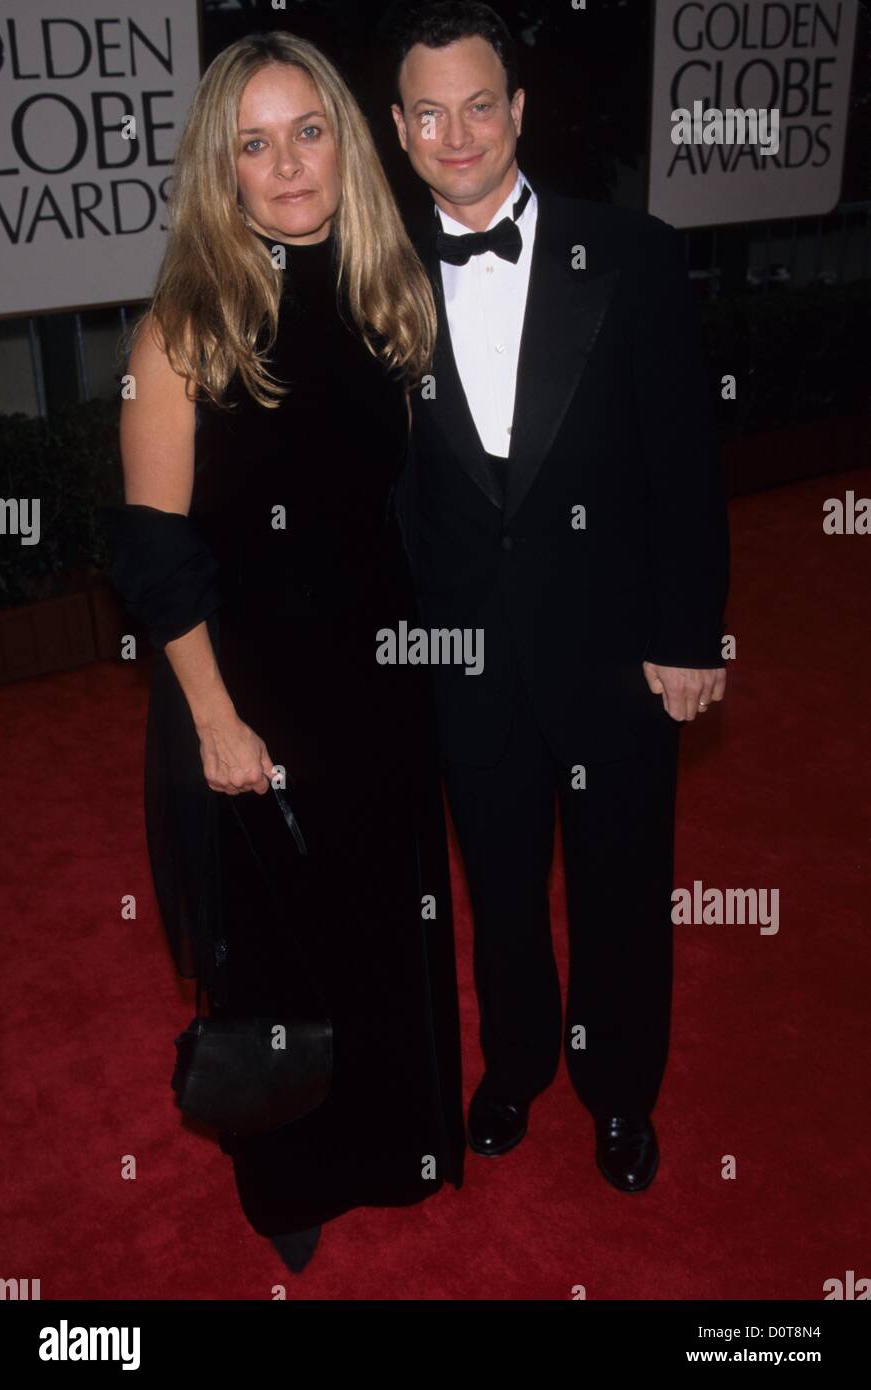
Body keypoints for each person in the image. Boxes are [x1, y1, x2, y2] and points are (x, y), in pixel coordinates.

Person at [100, 30, 465, 1274]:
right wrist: (214, 720)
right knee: (278, 951)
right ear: (223, 169)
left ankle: (390, 1142)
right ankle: (292, 1171)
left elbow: (408, 509)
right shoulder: (183, 332)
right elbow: (156, 559)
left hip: (380, 684)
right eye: (254, 143)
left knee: (383, 920)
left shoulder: (385, 293)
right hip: (247, 696)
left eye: (308, 130)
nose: (288, 162)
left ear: (344, 144)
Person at [390, 2, 729, 1191]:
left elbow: (685, 461)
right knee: (497, 885)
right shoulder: (372, 279)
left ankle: (622, 1092)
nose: (458, 132)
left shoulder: (628, 250)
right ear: (398, 127)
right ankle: (517, 1063)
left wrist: (691, 633)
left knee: (623, 885)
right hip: (463, 658)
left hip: (615, 648)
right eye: (428, 112)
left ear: (519, 110)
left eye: (479, 104)